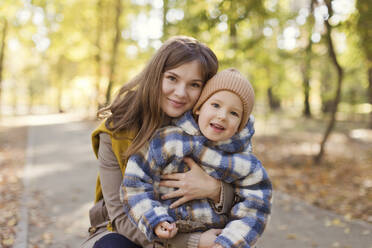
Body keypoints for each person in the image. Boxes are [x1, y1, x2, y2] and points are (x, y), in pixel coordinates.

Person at [80, 36, 238, 248]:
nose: (180, 93)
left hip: (199, 226)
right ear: (156, 75)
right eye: (172, 78)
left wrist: (214, 189)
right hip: (133, 234)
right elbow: (120, 218)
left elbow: (249, 196)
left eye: (194, 84)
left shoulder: (213, 126)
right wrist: (193, 242)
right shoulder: (115, 132)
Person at [122, 68, 272, 248]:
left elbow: (255, 209)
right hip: (169, 234)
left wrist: (230, 242)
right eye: (215, 105)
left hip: (217, 239)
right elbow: (134, 183)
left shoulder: (246, 164)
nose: (222, 116)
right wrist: (154, 219)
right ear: (199, 108)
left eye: (234, 113)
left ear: (241, 124)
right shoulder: (168, 140)